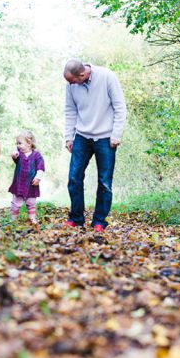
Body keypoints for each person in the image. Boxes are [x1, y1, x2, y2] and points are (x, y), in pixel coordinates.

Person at [63, 59, 127, 231]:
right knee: (74, 178)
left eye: (72, 81)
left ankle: (99, 221)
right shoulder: (71, 85)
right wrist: (69, 137)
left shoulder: (107, 76)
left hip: (106, 137)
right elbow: (70, 110)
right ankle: (76, 218)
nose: (70, 85)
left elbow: (120, 107)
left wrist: (116, 134)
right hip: (82, 137)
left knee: (104, 182)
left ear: (82, 74)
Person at [8, 131, 45, 230]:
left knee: (31, 203)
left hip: (31, 185)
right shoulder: (19, 154)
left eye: (20, 143)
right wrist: (14, 154)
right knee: (16, 203)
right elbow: (14, 156)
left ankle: (32, 219)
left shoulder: (37, 155)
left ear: (29, 143)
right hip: (19, 184)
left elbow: (40, 167)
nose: (18, 145)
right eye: (17, 143)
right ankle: (12, 219)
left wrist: (38, 177)